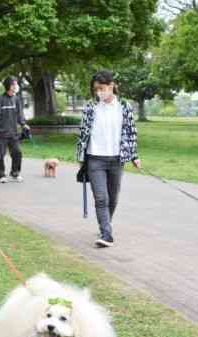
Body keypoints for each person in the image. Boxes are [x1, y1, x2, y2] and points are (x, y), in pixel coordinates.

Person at [77, 70, 140, 248]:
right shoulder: (90, 107)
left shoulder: (124, 106)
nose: (99, 92)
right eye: (96, 89)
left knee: (113, 198)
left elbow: (131, 132)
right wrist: (81, 156)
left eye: (102, 88)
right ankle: (106, 234)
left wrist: (134, 155)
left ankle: (106, 225)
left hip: (116, 159)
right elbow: (83, 133)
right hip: (95, 159)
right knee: (101, 198)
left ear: (111, 86)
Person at [0, 76, 28, 183]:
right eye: (14, 84)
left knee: (17, 153)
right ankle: (1, 175)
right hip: (1, 133)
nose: (16, 86)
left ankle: (15, 173)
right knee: (0, 154)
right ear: (9, 86)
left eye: (16, 84)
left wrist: (24, 124)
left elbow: (20, 115)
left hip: (13, 133)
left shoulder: (16, 99)